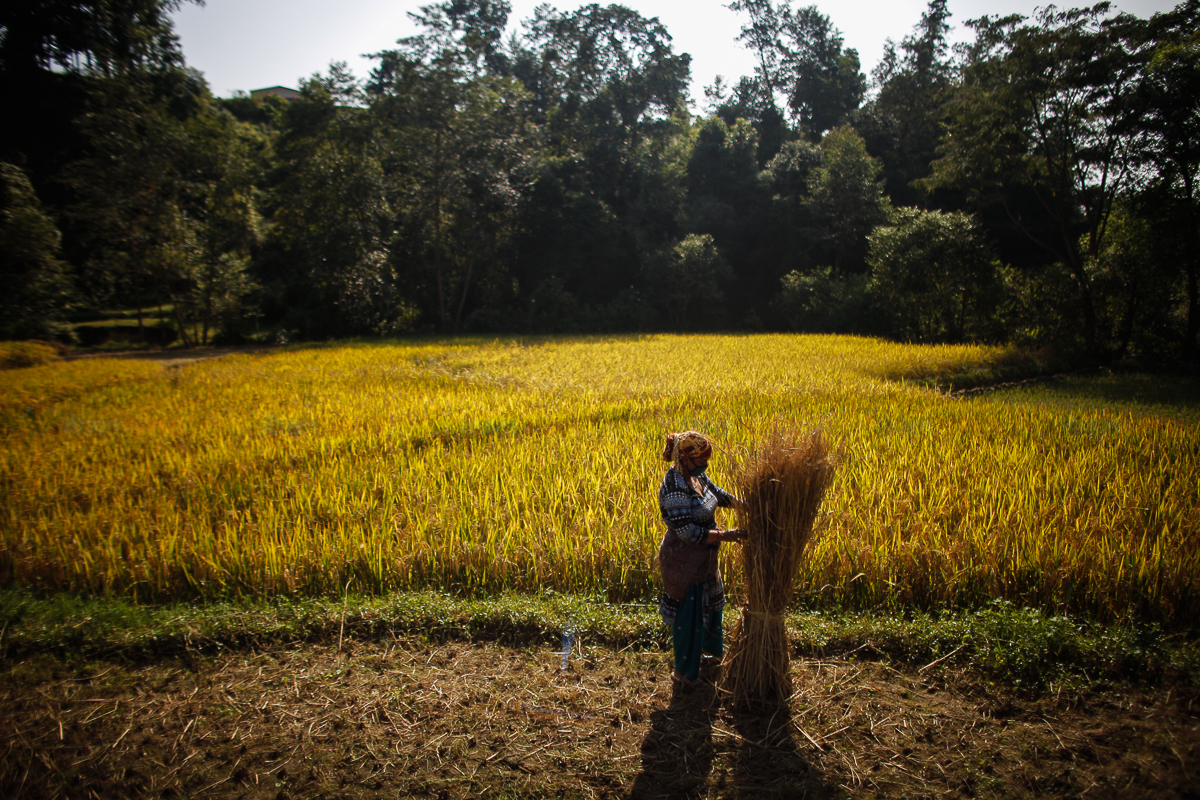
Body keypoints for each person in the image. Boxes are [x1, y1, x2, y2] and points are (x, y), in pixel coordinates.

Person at [657, 430, 746, 689]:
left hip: (705, 558)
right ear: (684, 459)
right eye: (701, 461)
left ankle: (708, 657)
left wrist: (746, 504)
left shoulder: (698, 477)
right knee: (691, 615)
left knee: (712, 606)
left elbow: (717, 494)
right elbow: (687, 532)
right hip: (683, 561)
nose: (705, 466)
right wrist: (726, 535)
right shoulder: (673, 488)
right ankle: (684, 674)